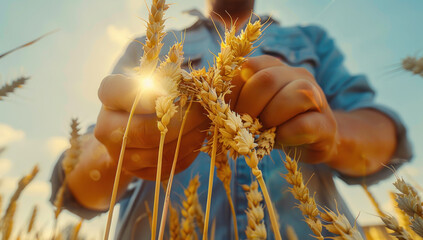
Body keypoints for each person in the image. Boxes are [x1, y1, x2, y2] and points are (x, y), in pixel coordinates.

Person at [50, 0, 412, 239]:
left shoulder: (309, 40)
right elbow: (76, 188)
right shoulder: (153, 43)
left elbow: (388, 139)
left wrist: (330, 132)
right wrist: (117, 151)